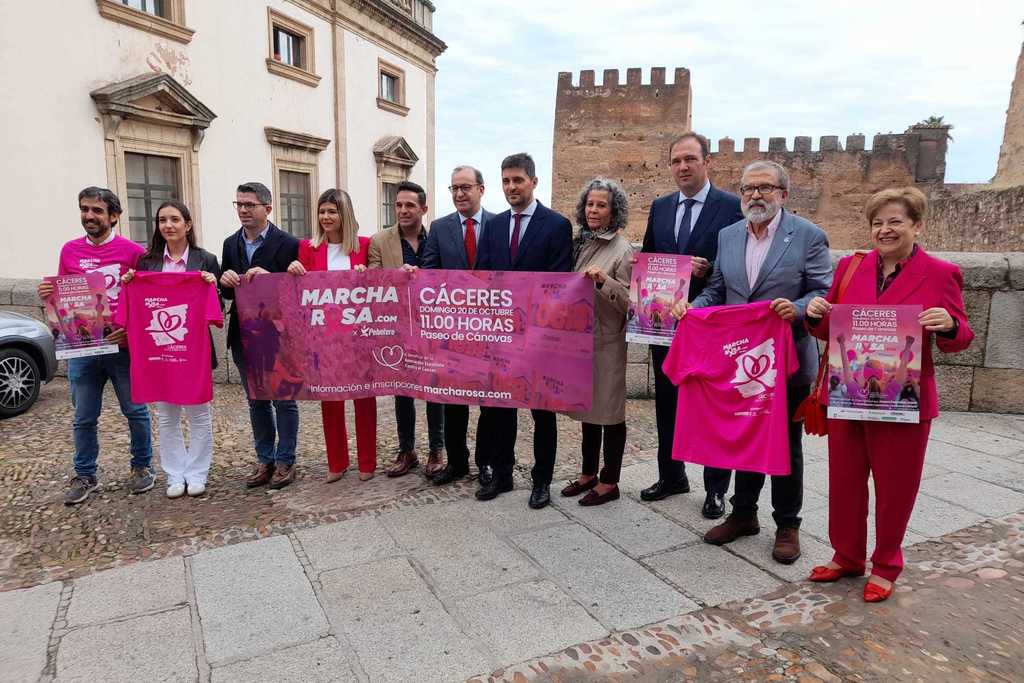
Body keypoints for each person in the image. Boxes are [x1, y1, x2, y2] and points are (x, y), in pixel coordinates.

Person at [804, 187, 973, 602]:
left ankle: (885, 564)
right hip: (850, 394)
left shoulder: (940, 273)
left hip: (904, 400)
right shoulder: (850, 267)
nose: (885, 230)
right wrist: (815, 316)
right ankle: (846, 555)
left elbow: (961, 337)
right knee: (844, 482)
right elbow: (831, 327)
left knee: (896, 486)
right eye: (878, 223)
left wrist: (949, 324)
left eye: (895, 221)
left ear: (917, 225)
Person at [674, 160, 833, 564]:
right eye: (748, 189)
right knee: (743, 434)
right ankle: (743, 513)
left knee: (785, 443)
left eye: (764, 188)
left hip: (788, 359)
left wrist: (795, 308)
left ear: (783, 193)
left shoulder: (808, 235)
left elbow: (821, 290)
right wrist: (693, 308)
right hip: (740, 362)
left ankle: (788, 523)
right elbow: (719, 287)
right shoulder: (728, 235)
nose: (755, 196)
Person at [639, 132, 744, 520]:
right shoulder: (660, 207)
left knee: (712, 407)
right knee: (666, 403)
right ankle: (671, 476)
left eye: (690, 159)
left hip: (710, 323)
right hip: (665, 324)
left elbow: (739, 265)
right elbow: (650, 257)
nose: (682, 167)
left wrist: (710, 268)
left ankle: (716, 489)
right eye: (676, 161)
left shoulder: (732, 207)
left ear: (706, 162)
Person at [39, 187, 153, 505]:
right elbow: (62, 296)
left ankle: (142, 467)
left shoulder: (133, 252)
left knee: (135, 411)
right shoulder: (69, 250)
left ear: (113, 217)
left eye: (97, 211)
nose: (89, 216)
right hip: (83, 349)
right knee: (84, 417)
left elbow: (144, 300)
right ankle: (85, 474)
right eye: (85, 209)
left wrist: (130, 333)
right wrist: (48, 293)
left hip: (121, 347)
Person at [475, 152, 573, 509]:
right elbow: (483, 276)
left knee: (542, 413)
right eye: (506, 181)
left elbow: (559, 284)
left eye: (518, 180)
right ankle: (502, 473)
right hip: (501, 336)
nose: (511, 187)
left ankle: (542, 480)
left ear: (534, 181)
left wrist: (533, 328)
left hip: (540, 339)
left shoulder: (556, 225)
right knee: (501, 408)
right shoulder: (495, 226)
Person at [122, 200, 221, 498]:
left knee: (199, 415)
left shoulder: (206, 260)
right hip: (159, 353)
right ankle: (175, 474)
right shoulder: (146, 263)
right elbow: (133, 301)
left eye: (175, 219)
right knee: (166, 417)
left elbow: (216, 304)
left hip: (192, 353)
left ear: (187, 225)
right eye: (162, 220)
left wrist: (212, 284)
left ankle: (198, 472)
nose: (168, 225)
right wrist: (129, 283)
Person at [287, 188, 377, 483]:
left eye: (332, 211)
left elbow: (379, 287)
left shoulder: (364, 246)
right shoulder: (308, 249)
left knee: (364, 400)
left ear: (345, 215)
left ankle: (367, 462)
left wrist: (368, 275)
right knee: (331, 401)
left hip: (359, 337)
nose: (326, 217)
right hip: (324, 338)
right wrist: (294, 270)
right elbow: (300, 291)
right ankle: (336, 463)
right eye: (322, 211)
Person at [219, 182, 300, 490]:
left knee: (284, 400)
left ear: (267, 208)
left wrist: (273, 279)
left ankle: (285, 460)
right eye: (239, 204)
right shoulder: (230, 244)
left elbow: (296, 291)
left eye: (249, 205)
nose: (243, 210)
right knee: (256, 400)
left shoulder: (288, 243)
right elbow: (225, 289)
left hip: (279, 335)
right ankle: (264, 459)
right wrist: (225, 281)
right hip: (243, 333)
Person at [421, 165, 497, 487]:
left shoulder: (500, 225)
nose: (459, 194)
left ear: (481, 189)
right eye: (454, 188)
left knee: (489, 404)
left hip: (490, 332)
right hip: (451, 333)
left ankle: (486, 463)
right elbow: (428, 271)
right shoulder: (439, 228)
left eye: (465, 187)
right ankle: (457, 462)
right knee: (453, 401)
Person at [560, 178, 633, 506]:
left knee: (611, 412)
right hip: (579, 340)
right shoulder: (578, 243)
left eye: (601, 205)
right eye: (590, 204)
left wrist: (604, 281)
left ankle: (610, 480)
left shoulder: (622, 248)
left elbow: (633, 304)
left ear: (613, 210)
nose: (593, 210)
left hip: (607, 341)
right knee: (587, 409)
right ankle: (588, 472)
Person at [368, 181, 446, 478]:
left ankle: (436, 449)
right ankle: (406, 449)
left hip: (433, 325)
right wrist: (394, 277)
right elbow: (371, 282)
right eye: (398, 205)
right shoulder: (380, 241)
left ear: (423, 209)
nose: (402, 210)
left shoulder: (437, 237)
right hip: (397, 326)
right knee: (403, 390)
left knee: (435, 389)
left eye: (409, 205)